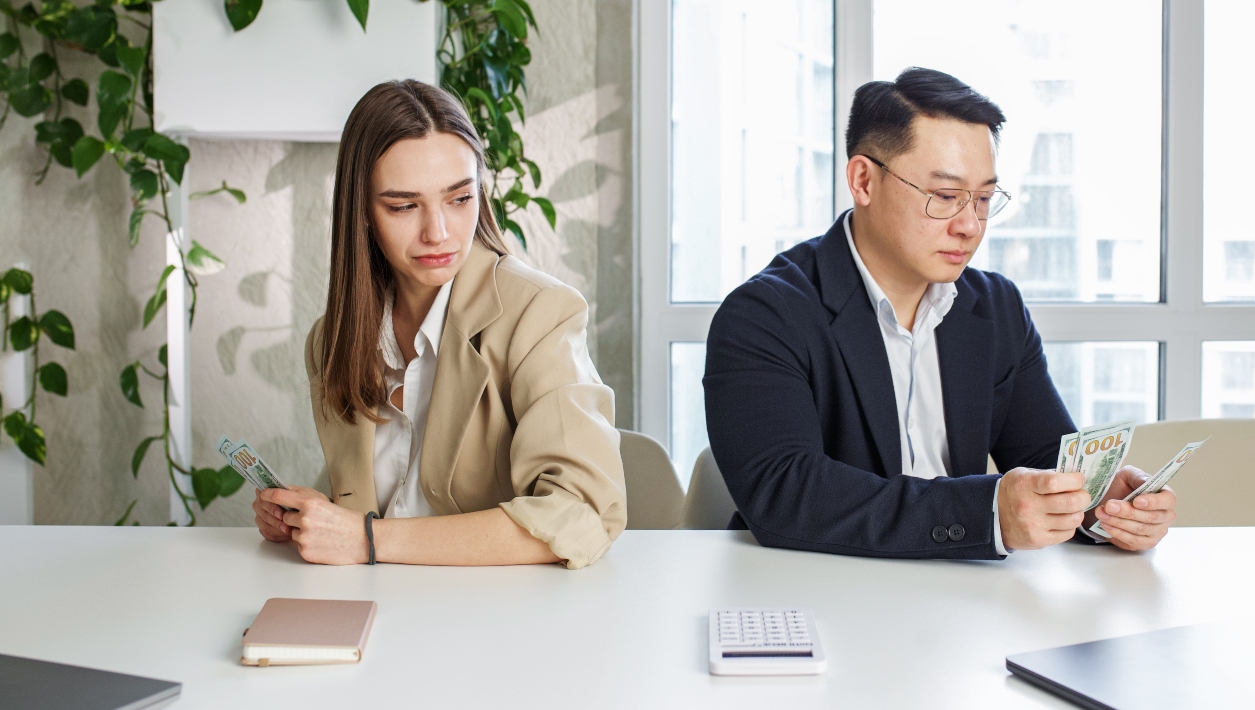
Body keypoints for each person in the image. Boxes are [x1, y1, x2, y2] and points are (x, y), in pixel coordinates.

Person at [703, 68, 1176, 559]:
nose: (970, 225)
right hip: (816, 587)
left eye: (985, 199)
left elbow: (1044, 461)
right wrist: (987, 512)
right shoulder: (764, 315)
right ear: (863, 180)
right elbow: (785, 493)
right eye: (946, 197)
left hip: (959, 597)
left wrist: (1101, 504)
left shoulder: (996, 308)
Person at [251, 80, 626, 569]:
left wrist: (367, 540)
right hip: (374, 607)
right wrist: (309, 519)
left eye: (459, 198)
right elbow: (368, 496)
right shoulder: (332, 339)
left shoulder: (539, 313)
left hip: (490, 617)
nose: (439, 232)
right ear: (361, 212)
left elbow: (581, 514)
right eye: (404, 206)